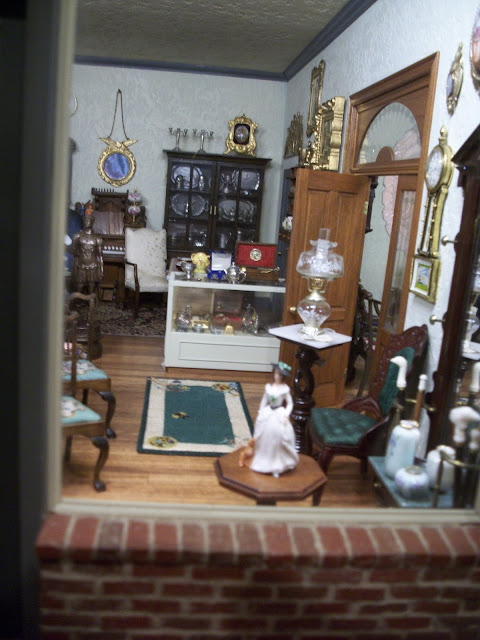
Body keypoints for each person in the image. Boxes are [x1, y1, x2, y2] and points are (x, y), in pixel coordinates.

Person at [239, 362, 299, 477]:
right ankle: (262, 457)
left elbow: (290, 403)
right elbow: (264, 400)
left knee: (278, 435)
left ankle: (277, 464)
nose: (277, 377)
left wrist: (286, 414)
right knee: (263, 435)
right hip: (268, 412)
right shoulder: (269, 387)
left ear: (283, 377)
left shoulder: (285, 389)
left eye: (279, 375)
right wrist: (261, 412)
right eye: (276, 374)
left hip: (279, 413)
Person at [70, 211, 103, 295]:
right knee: (79, 286)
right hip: (81, 265)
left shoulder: (97, 238)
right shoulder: (78, 236)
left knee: (91, 287)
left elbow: (100, 255)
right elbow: (73, 250)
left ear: (92, 223)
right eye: (85, 221)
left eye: (88, 221)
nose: (86, 222)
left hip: (93, 266)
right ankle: (76, 300)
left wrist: (101, 269)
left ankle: (91, 301)